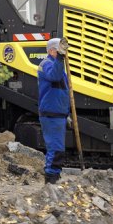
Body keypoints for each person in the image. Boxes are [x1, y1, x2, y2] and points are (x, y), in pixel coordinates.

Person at [38, 37, 70, 184]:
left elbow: (63, 92)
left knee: (58, 148)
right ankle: (51, 180)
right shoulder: (46, 64)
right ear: (51, 50)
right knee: (55, 149)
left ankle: (54, 178)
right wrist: (60, 59)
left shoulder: (57, 66)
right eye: (59, 50)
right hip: (51, 114)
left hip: (58, 114)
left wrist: (67, 113)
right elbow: (54, 76)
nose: (62, 53)